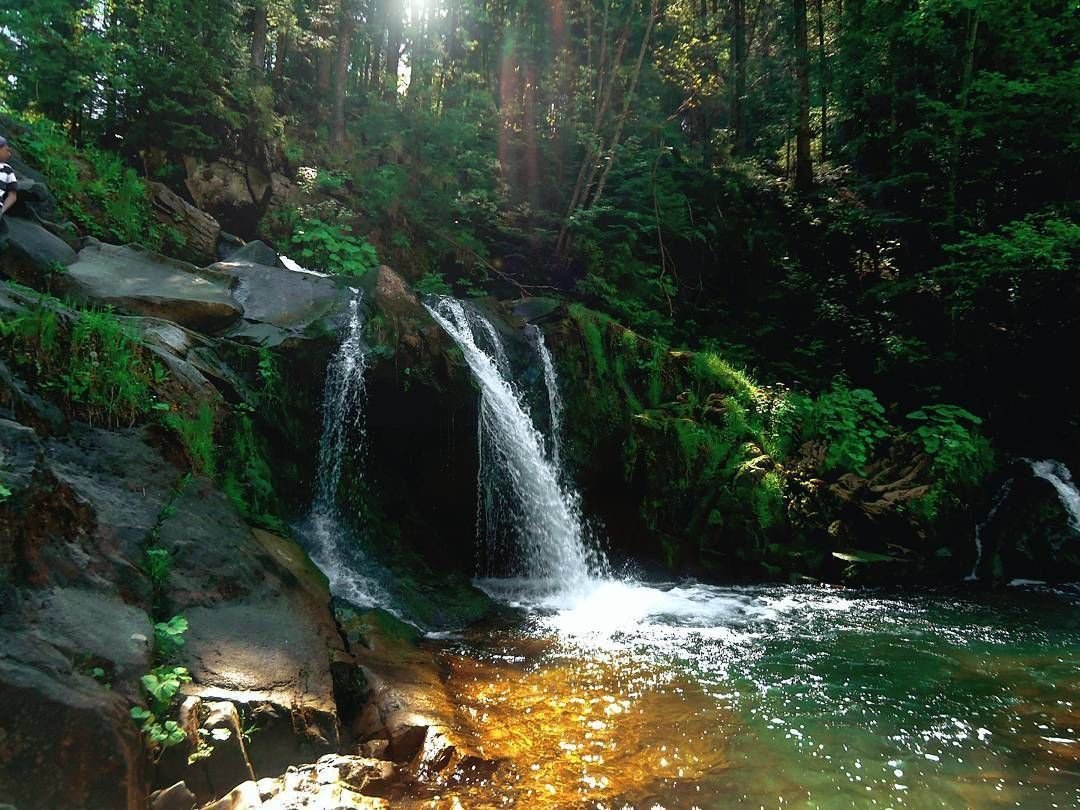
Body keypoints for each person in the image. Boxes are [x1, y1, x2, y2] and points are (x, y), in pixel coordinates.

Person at [0, 136, 18, 218]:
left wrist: (2, 210)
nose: (9, 154)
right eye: (6, 150)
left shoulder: (7, 169)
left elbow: (12, 195)